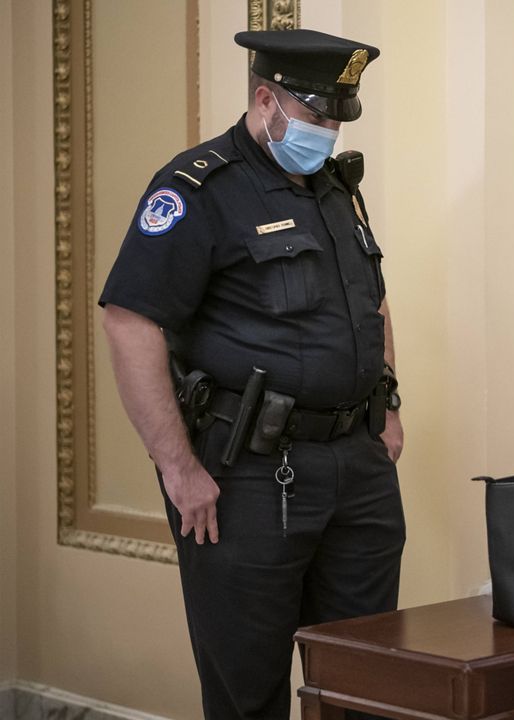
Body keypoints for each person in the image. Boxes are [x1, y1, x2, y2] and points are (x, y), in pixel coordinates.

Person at [99, 29, 405, 719]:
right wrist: (177, 469)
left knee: (368, 683)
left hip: (356, 472)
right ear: (266, 99)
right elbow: (129, 320)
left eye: (336, 118)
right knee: (248, 691)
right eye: (315, 116)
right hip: (251, 479)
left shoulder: (335, 189)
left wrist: (387, 404)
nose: (326, 132)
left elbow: (372, 296)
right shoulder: (196, 188)